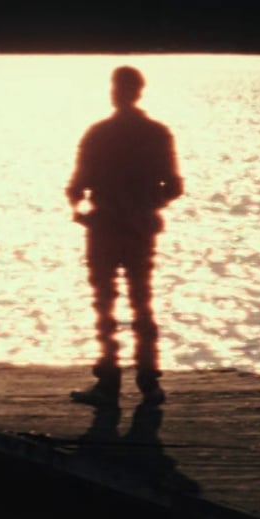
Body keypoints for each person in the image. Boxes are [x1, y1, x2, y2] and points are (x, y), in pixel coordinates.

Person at [66, 66, 182, 402]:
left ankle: (108, 382)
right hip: (140, 230)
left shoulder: (98, 134)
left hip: (103, 229)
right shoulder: (158, 134)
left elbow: (77, 185)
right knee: (142, 302)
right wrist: (149, 205)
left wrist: (78, 207)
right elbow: (174, 186)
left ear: (116, 92)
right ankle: (149, 382)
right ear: (139, 92)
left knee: (105, 305)